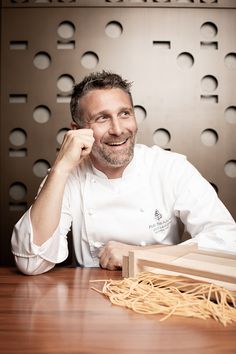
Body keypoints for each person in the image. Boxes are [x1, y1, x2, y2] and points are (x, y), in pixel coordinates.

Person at [11, 71, 236, 275]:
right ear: (77, 131)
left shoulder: (170, 168)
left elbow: (228, 241)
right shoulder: (66, 176)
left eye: (125, 114)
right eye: (102, 118)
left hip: (162, 298)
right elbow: (31, 262)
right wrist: (60, 169)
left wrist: (139, 255)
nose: (118, 130)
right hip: (89, 305)